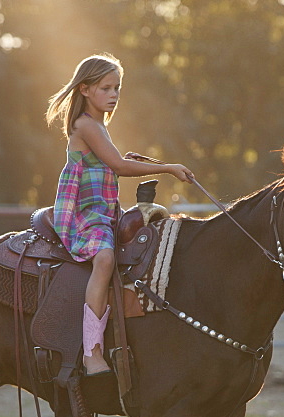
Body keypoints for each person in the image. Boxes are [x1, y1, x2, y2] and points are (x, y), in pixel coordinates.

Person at [45, 54, 194, 376]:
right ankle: (92, 352)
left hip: (104, 210)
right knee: (105, 259)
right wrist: (167, 167)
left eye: (117, 88)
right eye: (106, 88)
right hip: (84, 212)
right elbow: (119, 166)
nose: (114, 95)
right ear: (84, 89)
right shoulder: (85, 124)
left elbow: (109, 163)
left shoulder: (99, 125)